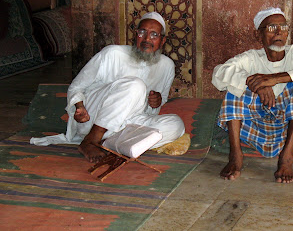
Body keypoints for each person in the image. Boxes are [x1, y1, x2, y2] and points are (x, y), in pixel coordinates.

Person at [31, 12, 185, 163]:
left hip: (127, 123)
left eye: (154, 35)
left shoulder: (167, 66)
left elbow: (156, 107)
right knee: (136, 85)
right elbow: (76, 86)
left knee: (176, 125)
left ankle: (111, 144)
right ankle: (91, 140)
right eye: (142, 32)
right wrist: (79, 107)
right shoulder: (113, 53)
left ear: (162, 41)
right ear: (135, 35)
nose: (146, 39)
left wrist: (155, 103)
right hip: (93, 116)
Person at [212, 7, 293, 183]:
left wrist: (272, 79)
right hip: (255, 125)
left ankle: (287, 157)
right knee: (234, 86)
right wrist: (254, 82)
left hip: (288, 128)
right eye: (271, 28)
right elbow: (219, 74)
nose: (278, 33)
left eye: (283, 27)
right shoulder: (252, 58)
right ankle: (235, 155)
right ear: (257, 34)